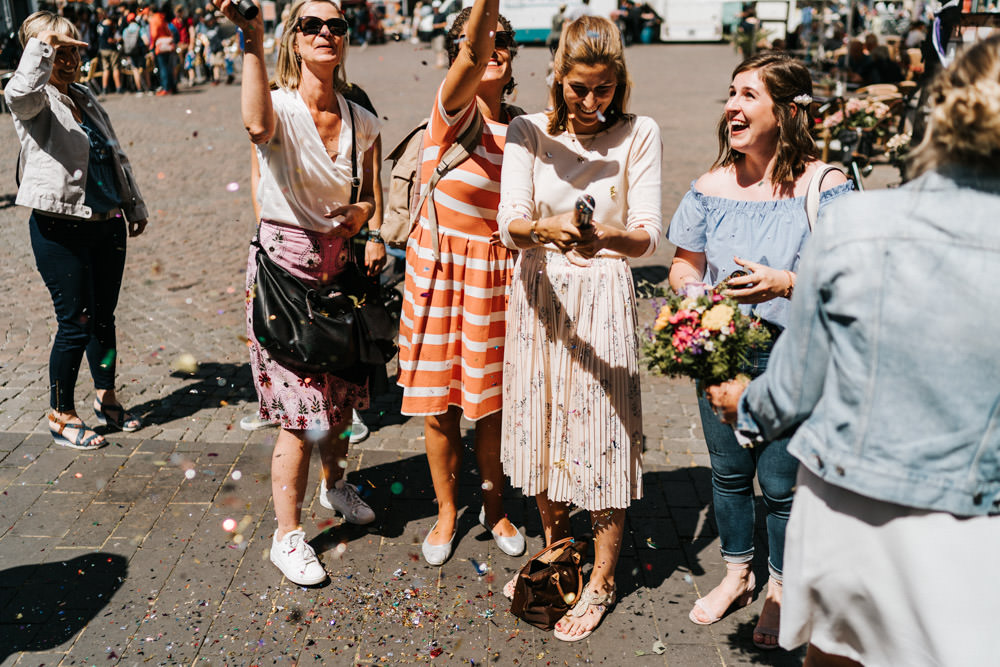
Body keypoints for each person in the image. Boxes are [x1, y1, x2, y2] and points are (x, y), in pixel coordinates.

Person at [706, 34, 1000, 667]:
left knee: (835, 657)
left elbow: (792, 391)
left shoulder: (856, 224)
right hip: (974, 523)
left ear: (941, 115)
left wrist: (742, 406)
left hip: (847, 510)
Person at [666, 52, 851, 650]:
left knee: (780, 481)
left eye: (749, 95)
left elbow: (850, 278)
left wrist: (785, 282)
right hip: (719, 349)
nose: (732, 107)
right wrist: (702, 300)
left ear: (787, 112)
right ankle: (738, 573)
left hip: (791, 354)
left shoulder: (826, 185)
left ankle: (780, 585)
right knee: (726, 472)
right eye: (731, 93)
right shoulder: (710, 186)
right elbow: (683, 266)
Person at [497, 15, 661, 642]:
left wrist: (601, 237)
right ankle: (559, 556)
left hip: (604, 292)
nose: (591, 103)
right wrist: (546, 229)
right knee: (545, 426)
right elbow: (510, 221)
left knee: (604, 436)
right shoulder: (527, 131)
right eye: (578, 89)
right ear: (556, 78)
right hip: (541, 289)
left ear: (619, 81)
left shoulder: (639, 131)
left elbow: (646, 233)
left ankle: (602, 578)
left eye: (603, 89)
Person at [215, 0, 382, 585]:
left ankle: (335, 487)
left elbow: (374, 198)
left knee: (339, 403)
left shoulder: (361, 119)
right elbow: (256, 126)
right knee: (300, 413)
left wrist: (363, 215)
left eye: (335, 24)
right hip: (283, 283)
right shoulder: (281, 109)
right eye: (312, 24)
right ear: (295, 38)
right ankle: (287, 537)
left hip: (338, 283)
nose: (326, 33)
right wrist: (252, 40)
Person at [397, 0, 526, 567]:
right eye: (481, 42)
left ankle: (494, 505)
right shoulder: (451, 110)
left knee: (492, 406)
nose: (492, 50)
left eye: (504, 43)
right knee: (439, 405)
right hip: (442, 272)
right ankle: (448, 512)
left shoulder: (524, 127)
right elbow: (475, 51)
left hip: (498, 275)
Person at [5, 11, 149, 451]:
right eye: (58, 49)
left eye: (73, 49)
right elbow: (19, 92)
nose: (68, 58)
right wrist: (43, 46)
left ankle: (106, 393)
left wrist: (133, 202)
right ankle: (60, 413)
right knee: (75, 323)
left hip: (108, 224)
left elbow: (114, 153)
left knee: (103, 318)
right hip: (60, 227)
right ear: (40, 51)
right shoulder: (35, 98)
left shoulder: (84, 94)